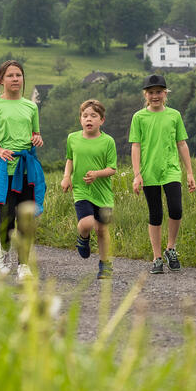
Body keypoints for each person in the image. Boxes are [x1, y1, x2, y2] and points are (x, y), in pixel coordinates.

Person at [0, 60, 46, 280]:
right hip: (5, 169)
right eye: (10, 75)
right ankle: (4, 251)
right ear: (2, 80)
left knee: (25, 218)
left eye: (18, 75)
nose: (15, 79)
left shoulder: (31, 106)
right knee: (7, 218)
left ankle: (24, 265)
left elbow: (35, 135)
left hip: (27, 167)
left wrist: (37, 139)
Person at [130, 74, 196, 274]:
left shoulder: (174, 115)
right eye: (151, 92)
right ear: (145, 95)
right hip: (149, 172)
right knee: (156, 214)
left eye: (159, 92)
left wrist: (190, 173)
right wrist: (137, 174)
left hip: (171, 170)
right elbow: (136, 146)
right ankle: (157, 257)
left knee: (176, 209)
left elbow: (182, 143)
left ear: (165, 93)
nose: (155, 96)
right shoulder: (139, 117)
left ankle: (171, 249)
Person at [61, 99, 117, 280]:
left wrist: (97, 174)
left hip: (103, 193)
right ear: (80, 120)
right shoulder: (73, 138)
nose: (89, 119)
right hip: (82, 190)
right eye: (85, 116)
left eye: (94, 116)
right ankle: (83, 238)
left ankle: (105, 264)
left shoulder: (108, 141)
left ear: (102, 120)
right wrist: (66, 177)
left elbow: (112, 169)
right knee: (87, 224)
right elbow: (70, 159)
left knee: (102, 230)